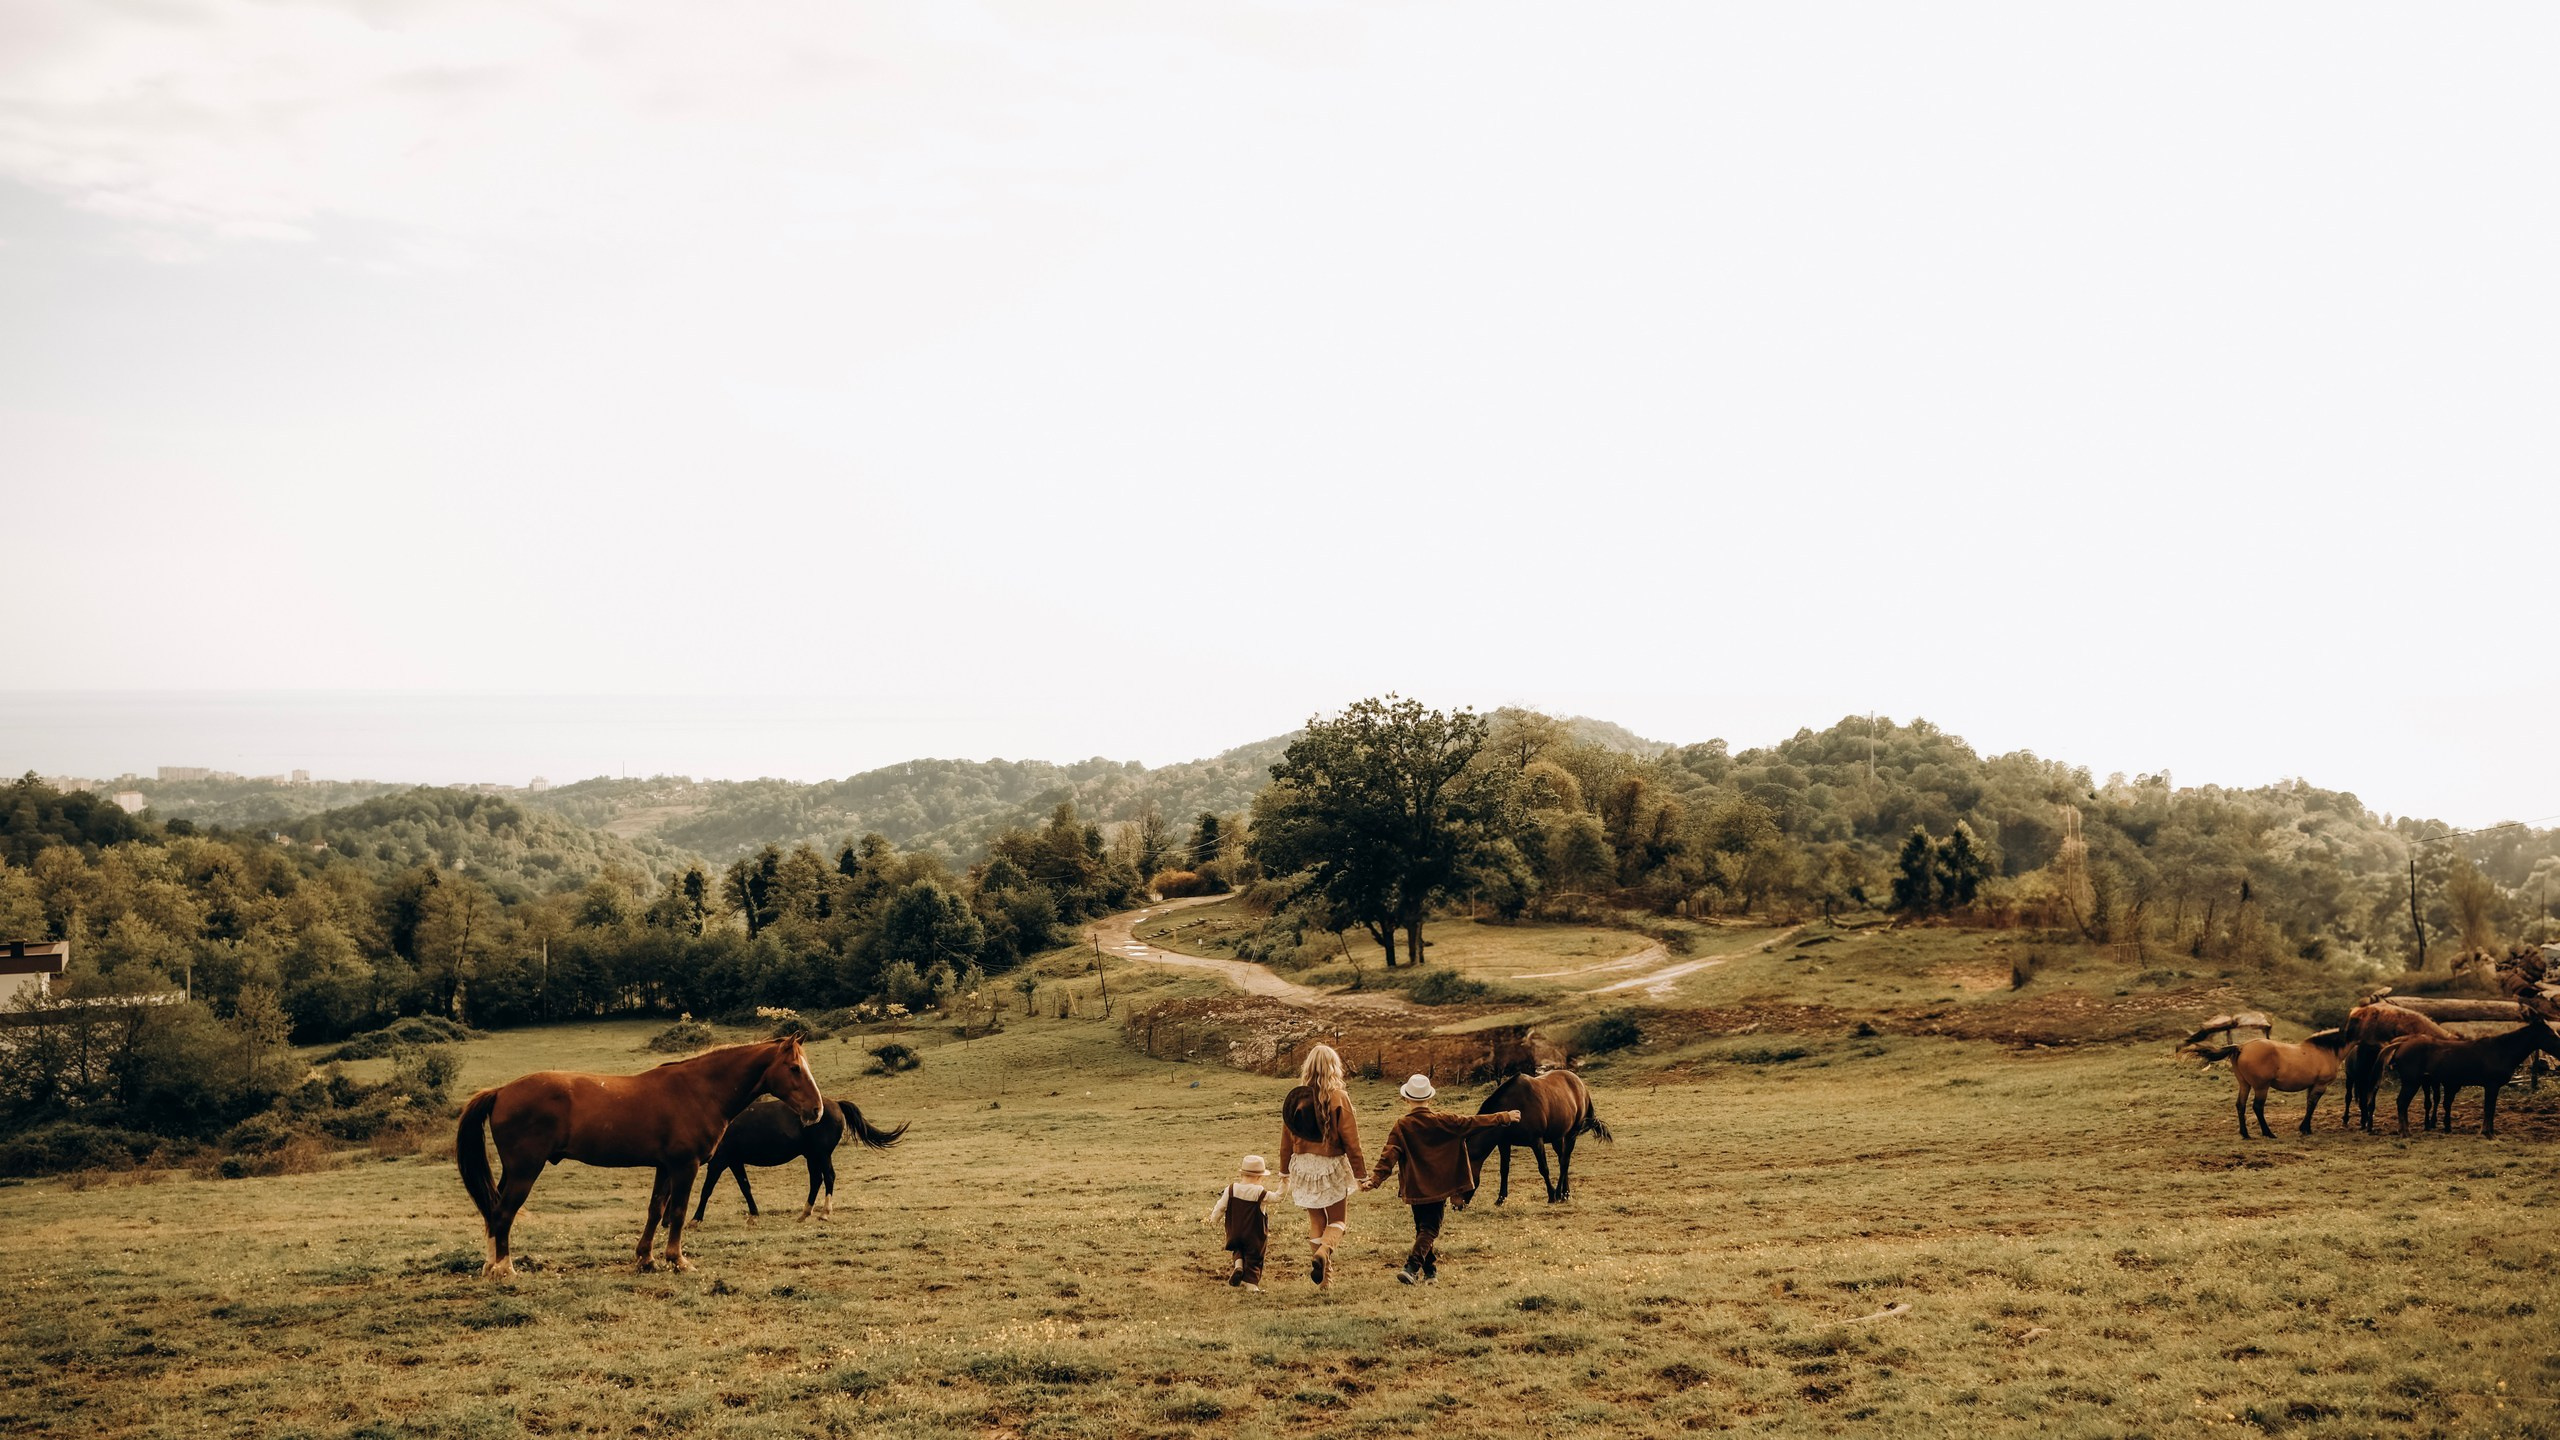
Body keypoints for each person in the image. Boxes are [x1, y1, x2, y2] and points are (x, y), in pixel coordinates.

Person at [1362, 1074, 1522, 1285]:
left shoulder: (1401, 1126)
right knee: (1429, 1230)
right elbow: (1475, 1122)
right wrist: (1504, 1116)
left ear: (1407, 1100)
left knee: (1423, 1229)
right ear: (1430, 1099)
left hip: (1415, 1188)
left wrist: (1375, 1179)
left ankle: (1430, 1273)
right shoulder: (1446, 1121)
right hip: (1438, 1187)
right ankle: (1411, 1267)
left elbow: (1389, 1155)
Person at [1276, 1043, 1365, 1288]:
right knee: (1338, 1221)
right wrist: (1361, 1174)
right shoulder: (1338, 1096)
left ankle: (1325, 1280)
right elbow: (1352, 1140)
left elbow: (1286, 1139)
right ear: (1333, 1068)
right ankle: (1323, 1252)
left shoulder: (1295, 1099)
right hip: (1331, 1165)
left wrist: (1284, 1170)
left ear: (1308, 1067)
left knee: (1316, 1221)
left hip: (1303, 1166)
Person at [1203, 1154, 1283, 1290]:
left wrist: (1213, 1219)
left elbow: (1220, 1206)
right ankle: (1252, 1287)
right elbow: (1277, 1197)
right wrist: (1285, 1183)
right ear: (1259, 1177)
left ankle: (1238, 1266)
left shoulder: (1231, 1189)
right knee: (1254, 1258)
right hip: (1254, 1234)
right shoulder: (1259, 1192)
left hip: (1235, 1231)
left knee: (1238, 1248)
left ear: (1242, 1174)